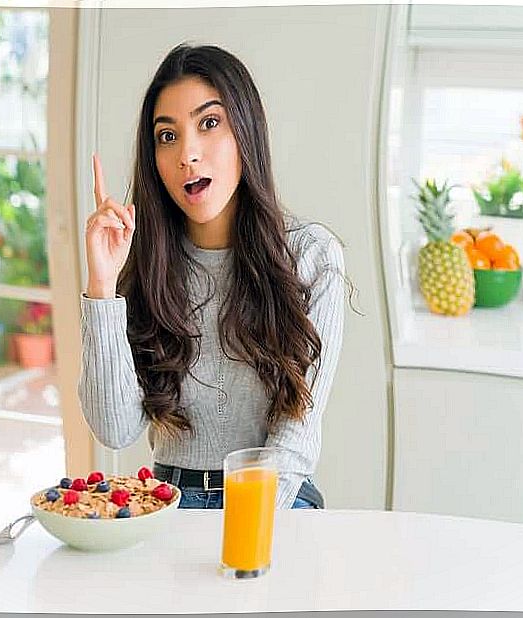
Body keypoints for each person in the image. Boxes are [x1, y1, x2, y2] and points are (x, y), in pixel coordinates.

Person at [78, 42, 347, 510]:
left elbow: (295, 438)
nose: (188, 154)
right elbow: (115, 429)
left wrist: (240, 531)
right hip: (168, 498)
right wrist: (102, 289)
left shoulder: (312, 257)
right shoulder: (145, 262)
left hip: (274, 498)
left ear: (246, 130)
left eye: (208, 123)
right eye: (167, 136)